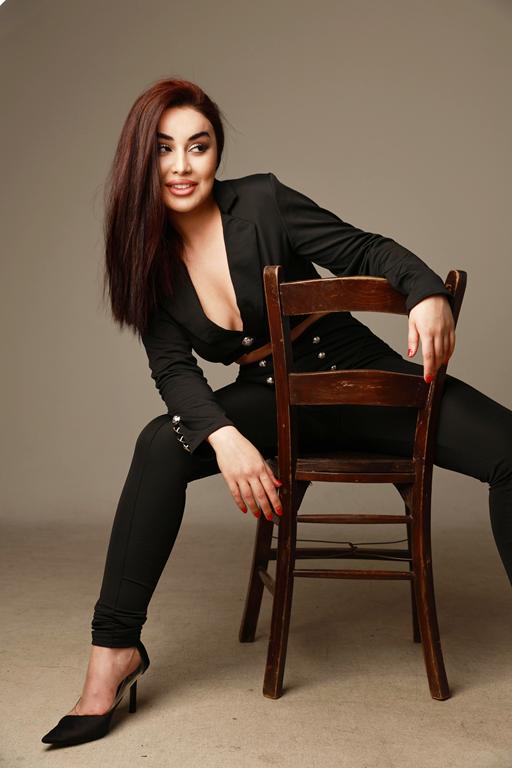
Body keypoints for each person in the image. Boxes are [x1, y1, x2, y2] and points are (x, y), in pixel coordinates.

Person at [42, 78, 512, 747]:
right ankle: (113, 653)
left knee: (509, 451)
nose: (181, 165)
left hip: (358, 376)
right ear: (139, 159)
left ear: (217, 152)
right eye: (164, 149)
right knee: (158, 445)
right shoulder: (143, 255)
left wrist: (426, 291)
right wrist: (225, 437)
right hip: (270, 397)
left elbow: (365, 248)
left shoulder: (261, 201)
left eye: (198, 146)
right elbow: (172, 368)